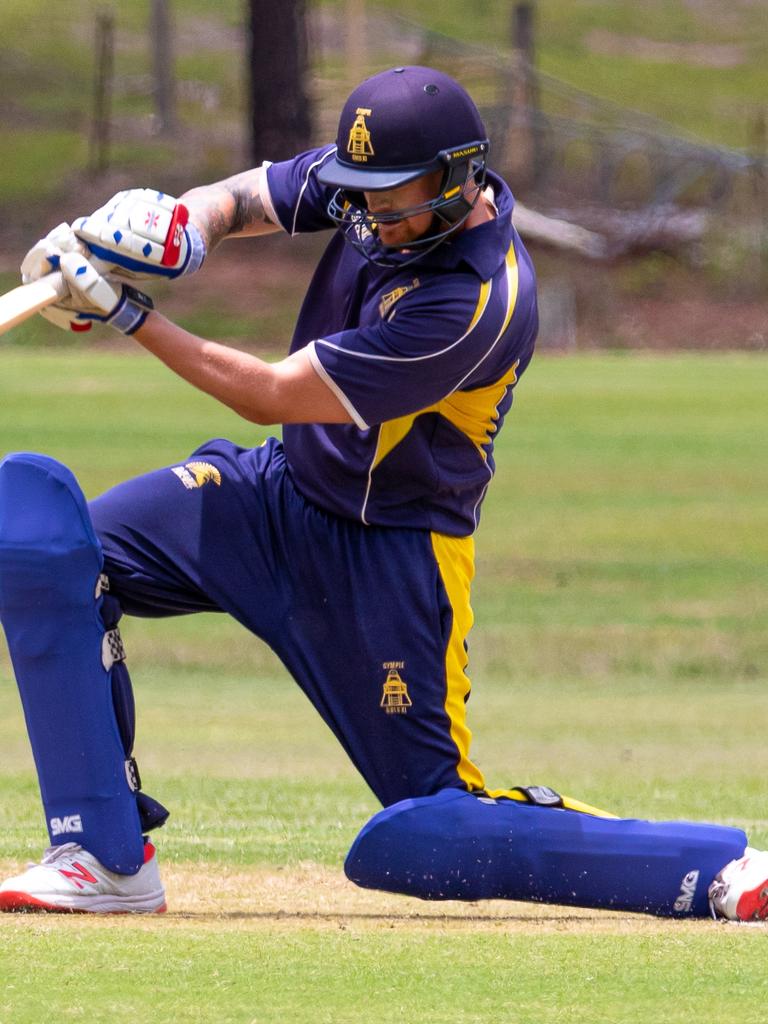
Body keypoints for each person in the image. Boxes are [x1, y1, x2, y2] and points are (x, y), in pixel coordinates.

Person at [0, 66, 763, 921]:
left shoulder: (476, 299)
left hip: (391, 562)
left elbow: (271, 392)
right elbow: (254, 194)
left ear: (459, 176)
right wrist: (185, 223)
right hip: (273, 495)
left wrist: (129, 313)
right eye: (362, 197)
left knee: (436, 831)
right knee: (44, 552)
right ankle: (102, 858)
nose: (373, 218)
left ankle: (720, 865)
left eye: (394, 202)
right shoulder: (380, 183)